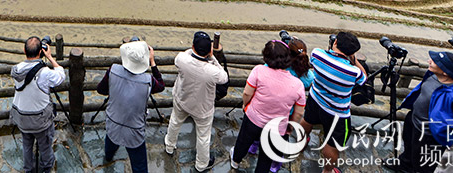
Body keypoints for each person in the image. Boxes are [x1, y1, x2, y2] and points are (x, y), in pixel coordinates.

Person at [395, 51, 453, 173]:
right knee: (409, 148)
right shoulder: (434, 75)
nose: (429, 61)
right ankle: (404, 165)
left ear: (445, 72)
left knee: (422, 165)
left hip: (428, 134)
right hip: (414, 119)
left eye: (434, 62)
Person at [230, 40, 306, 173]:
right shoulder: (298, 85)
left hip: (254, 119)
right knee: (266, 158)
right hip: (277, 128)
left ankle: (235, 161)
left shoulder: (259, 71)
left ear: (266, 57)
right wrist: (290, 126)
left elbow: (247, 93)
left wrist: (245, 104)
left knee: (243, 141)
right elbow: (299, 113)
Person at [299, 31, 366, 173]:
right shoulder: (353, 72)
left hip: (315, 98)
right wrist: (354, 59)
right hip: (337, 112)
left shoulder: (317, 54)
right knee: (332, 144)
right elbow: (363, 78)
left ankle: (302, 141)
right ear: (352, 52)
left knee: (307, 120)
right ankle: (327, 171)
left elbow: (317, 61)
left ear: (335, 42)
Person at [97, 38, 165, 173]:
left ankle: (109, 157)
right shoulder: (148, 81)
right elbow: (161, 85)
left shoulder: (113, 70)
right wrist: (153, 62)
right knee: (139, 165)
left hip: (113, 121)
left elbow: (101, 90)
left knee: (111, 140)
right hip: (134, 130)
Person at [164, 31, 228, 172]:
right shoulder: (213, 71)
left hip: (182, 100)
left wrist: (195, 52)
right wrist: (212, 58)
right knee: (203, 137)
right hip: (202, 109)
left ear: (193, 46)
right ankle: (201, 164)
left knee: (175, 122)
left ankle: (169, 145)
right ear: (209, 50)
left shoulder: (181, 59)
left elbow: (186, 53)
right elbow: (224, 77)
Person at [9, 37, 66, 173]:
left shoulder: (16, 69)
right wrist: (50, 57)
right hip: (39, 120)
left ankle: (29, 169)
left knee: (27, 144)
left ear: (24, 50)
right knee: (45, 145)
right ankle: (46, 167)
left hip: (21, 117)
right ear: (41, 51)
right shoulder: (44, 73)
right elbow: (61, 76)